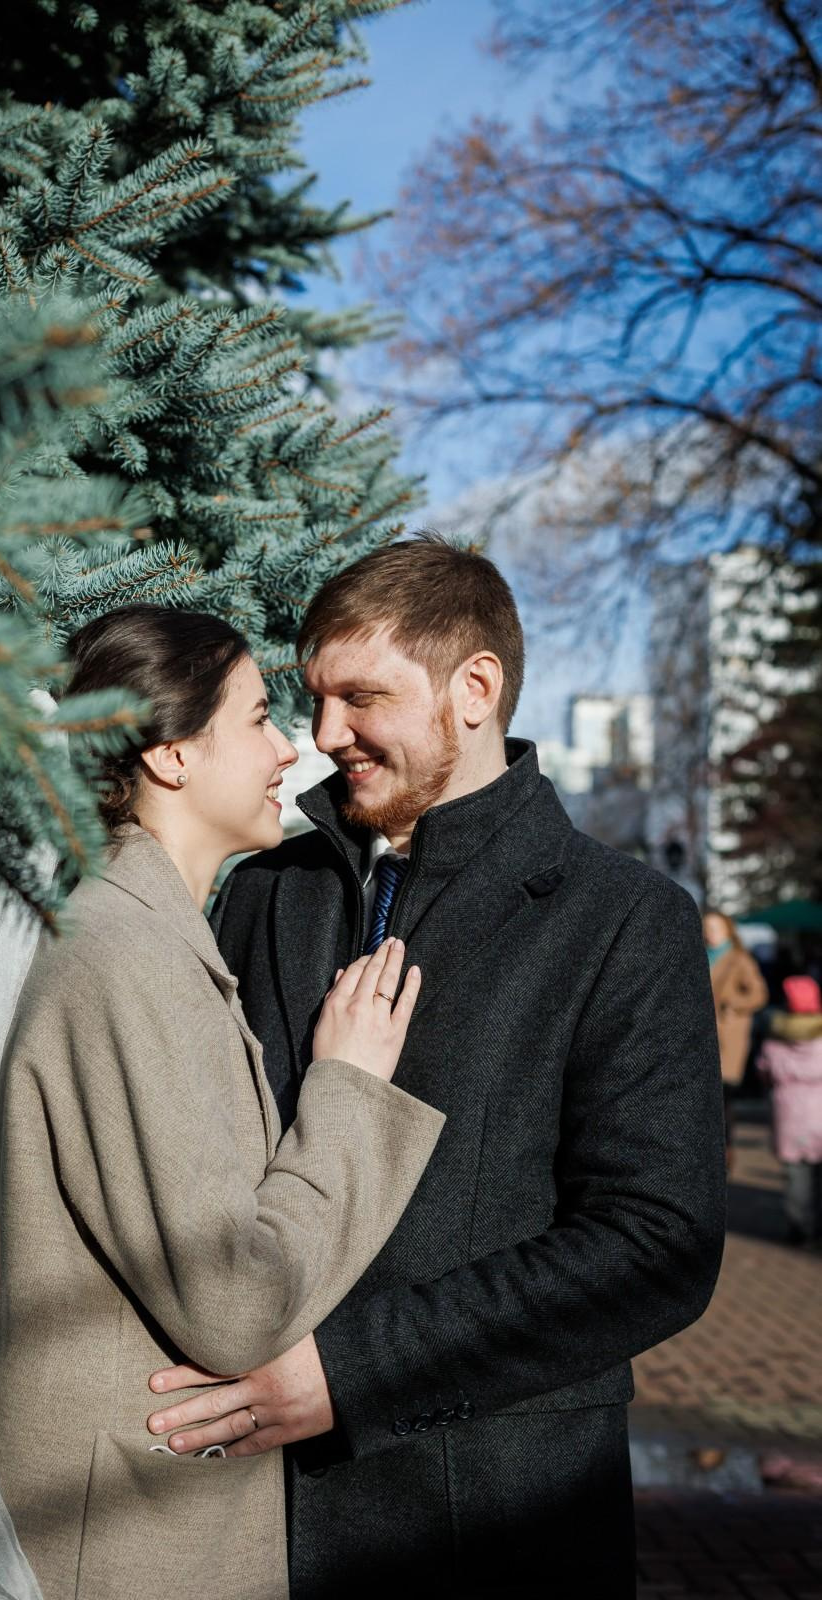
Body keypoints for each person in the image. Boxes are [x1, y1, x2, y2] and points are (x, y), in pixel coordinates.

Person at [138, 536, 727, 1599]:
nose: (324, 735)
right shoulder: (270, 886)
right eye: (312, 699)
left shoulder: (623, 919)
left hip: (488, 1522)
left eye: (359, 697)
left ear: (473, 687)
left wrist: (354, 1373)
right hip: (241, 1523)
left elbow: (655, 1242)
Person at [0, 605, 445, 1600]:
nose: (288, 746)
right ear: (173, 754)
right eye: (260, 716)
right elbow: (231, 1302)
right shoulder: (126, 953)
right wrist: (347, 1089)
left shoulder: (133, 930)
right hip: (112, 1543)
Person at [758, 975, 822, 1246]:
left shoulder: (775, 1041)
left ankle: (800, 1227)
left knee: (796, 1177)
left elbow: (764, 1071)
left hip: (789, 1116)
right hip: (819, 1114)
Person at [703, 907, 768, 1163]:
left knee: (723, 1094)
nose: (711, 933)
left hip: (728, 1036)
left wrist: (733, 1003)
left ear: (728, 929)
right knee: (705, 1095)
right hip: (702, 1032)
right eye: (707, 928)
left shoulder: (740, 959)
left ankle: (725, 1148)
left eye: (716, 928)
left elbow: (759, 994)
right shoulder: (699, 954)